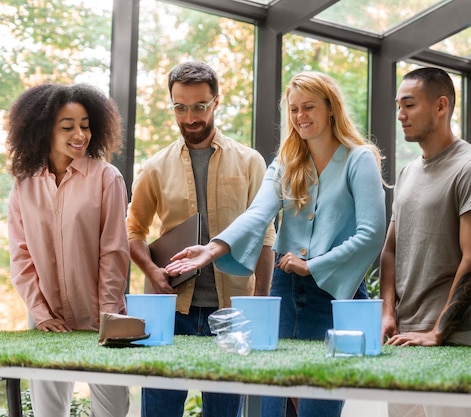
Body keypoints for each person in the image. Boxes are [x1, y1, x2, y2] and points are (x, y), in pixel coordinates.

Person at [165, 71, 387, 417]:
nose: (300, 117)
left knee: (318, 408)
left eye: (309, 107)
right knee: (270, 407)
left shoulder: (359, 159)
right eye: (294, 109)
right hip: (285, 291)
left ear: (331, 108)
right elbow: (258, 214)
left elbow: (372, 233)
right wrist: (211, 249)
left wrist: (313, 265)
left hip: (335, 296)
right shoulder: (286, 161)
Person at [126, 61, 275, 417]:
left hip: (232, 312)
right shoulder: (154, 167)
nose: (189, 117)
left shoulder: (250, 162)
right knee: (159, 411)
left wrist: (260, 303)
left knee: (224, 413)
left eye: (199, 107)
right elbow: (133, 231)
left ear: (216, 102)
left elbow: (265, 238)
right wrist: (150, 270)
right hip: (170, 311)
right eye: (180, 107)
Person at [380, 67, 471, 417]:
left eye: (409, 105)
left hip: (454, 339)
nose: (400, 115)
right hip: (405, 337)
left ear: (441, 106)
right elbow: (391, 249)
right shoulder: (407, 172)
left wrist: (437, 332)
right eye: (398, 106)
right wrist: (388, 312)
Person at [6, 83, 130, 417]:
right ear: (44, 129)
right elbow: (20, 257)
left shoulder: (107, 178)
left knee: (112, 411)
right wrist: (42, 313)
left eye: (86, 125)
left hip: (101, 320)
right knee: (47, 413)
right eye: (68, 127)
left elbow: (115, 252)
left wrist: (107, 315)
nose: (80, 134)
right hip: (46, 321)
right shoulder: (24, 184)